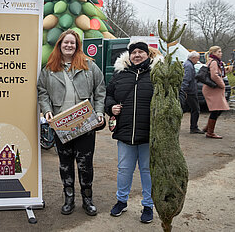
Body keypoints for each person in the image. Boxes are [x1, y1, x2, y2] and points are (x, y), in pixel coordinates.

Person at [37, 29, 106, 216]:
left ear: (77, 46)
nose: (69, 45)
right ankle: (69, 198)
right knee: (65, 163)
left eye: (73, 43)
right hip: (62, 124)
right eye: (66, 42)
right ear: (59, 45)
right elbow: (42, 91)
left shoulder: (89, 66)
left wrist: (99, 112)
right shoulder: (49, 69)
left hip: (85, 124)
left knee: (85, 163)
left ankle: (87, 198)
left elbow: (100, 90)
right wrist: (47, 110)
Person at [105, 41, 163, 224]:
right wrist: (110, 107)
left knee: (147, 170)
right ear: (129, 55)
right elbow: (109, 95)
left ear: (148, 54)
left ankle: (148, 206)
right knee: (124, 170)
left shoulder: (157, 74)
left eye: (141, 52)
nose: (137, 55)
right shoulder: (120, 74)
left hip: (149, 133)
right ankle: (121, 201)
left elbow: (173, 96)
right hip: (125, 131)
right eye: (134, 52)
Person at [201, 46, 230, 139]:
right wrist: (222, 84)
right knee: (216, 109)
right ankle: (210, 132)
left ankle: (208, 128)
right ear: (213, 53)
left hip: (213, 89)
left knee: (219, 108)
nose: (221, 53)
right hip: (213, 89)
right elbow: (214, 75)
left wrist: (225, 70)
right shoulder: (214, 62)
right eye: (219, 52)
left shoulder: (215, 62)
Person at [181, 51, 203, 134]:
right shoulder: (189, 66)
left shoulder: (188, 64)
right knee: (196, 109)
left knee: (185, 109)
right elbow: (186, 79)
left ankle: (172, 122)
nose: (197, 61)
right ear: (193, 58)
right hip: (190, 92)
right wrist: (184, 91)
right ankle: (194, 128)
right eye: (197, 59)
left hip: (189, 91)